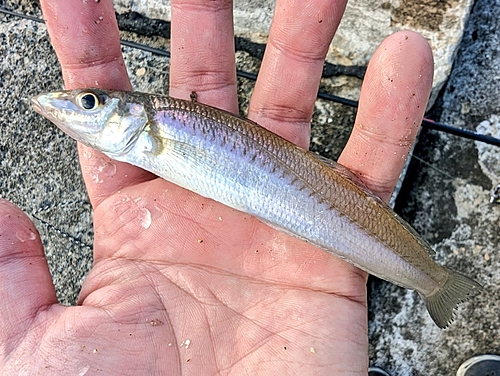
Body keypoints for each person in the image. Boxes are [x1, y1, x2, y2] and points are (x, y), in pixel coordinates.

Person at [1, 0, 484, 374]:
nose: (75, 109)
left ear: (133, 116)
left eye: (90, 102)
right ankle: (431, 279)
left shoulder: (157, 126)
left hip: (313, 198)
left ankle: (431, 278)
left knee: (346, 217)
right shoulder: (143, 136)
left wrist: (430, 280)